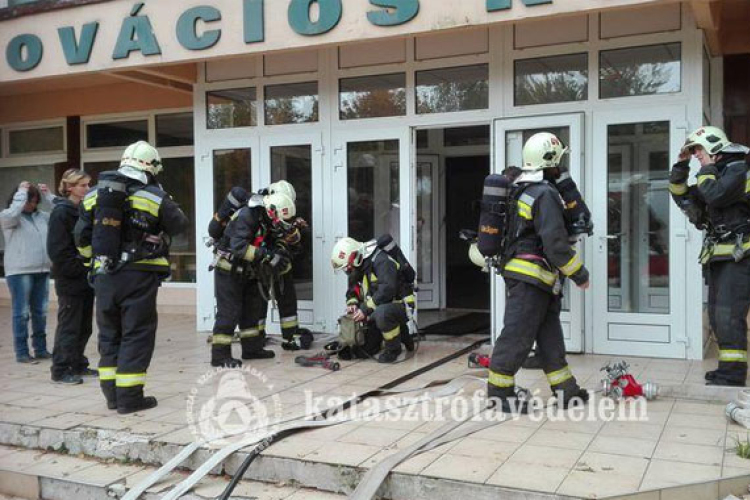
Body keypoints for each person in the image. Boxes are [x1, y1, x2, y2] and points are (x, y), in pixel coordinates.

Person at [75, 141, 188, 413]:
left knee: (109, 335)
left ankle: (112, 397)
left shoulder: (93, 196)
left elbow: (81, 238)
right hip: (139, 275)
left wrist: (94, 262)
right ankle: (130, 398)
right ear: (150, 167)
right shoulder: (153, 195)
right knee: (136, 334)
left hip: (103, 276)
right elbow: (180, 224)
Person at [487, 132, 590, 413]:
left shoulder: (524, 189)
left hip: (536, 278)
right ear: (549, 162)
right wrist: (579, 273)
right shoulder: (544, 194)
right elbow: (555, 243)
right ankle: (499, 393)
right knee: (517, 335)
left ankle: (566, 390)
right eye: (559, 161)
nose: (561, 167)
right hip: (530, 277)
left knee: (549, 336)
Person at [669, 126, 750, 387]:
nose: (695, 155)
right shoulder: (716, 174)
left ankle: (733, 374)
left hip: (740, 256)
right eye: (692, 152)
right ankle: (728, 369)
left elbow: (714, 196)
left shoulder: (737, 169)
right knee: (717, 314)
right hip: (720, 256)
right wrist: (680, 167)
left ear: (714, 147)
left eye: (698, 150)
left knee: (729, 314)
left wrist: (705, 171)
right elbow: (682, 195)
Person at [209, 191, 295, 367]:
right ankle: (219, 356)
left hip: (248, 271)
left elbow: (273, 242)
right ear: (272, 211)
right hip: (228, 270)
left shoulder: (267, 220)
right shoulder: (248, 215)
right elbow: (239, 247)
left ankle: (251, 349)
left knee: (251, 311)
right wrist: (267, 256)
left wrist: (278, 253)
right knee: (229, 312)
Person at [48, 169, 96, 384]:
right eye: (83, 185)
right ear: (69, 188)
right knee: (69, 325)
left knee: (84, 325)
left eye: (88, 185)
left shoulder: (84, 210)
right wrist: (79, 268)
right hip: (70, 280)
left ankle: (77, 363)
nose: (87, 189)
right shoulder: (61, 213)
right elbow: (58, 250)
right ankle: (61, 369)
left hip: (86, 278)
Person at [330, 236, 411, 363]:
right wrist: (353, 304)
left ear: (354, 258)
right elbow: (353, 290)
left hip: (397, 306)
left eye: (347, 267)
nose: (347, 271)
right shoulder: (360, 266)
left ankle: (394, 349)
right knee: (364, 351)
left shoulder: (382, 261)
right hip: (376, 309)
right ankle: (402, 334)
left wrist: (365, 309)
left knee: (382, 314)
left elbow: (387, 290)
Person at [1, 181, 55, 364]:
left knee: (40, 312)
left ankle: (40, 349)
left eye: (34, 200)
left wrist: (49, 196)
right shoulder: (9, 217)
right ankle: (22, 352)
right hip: (19, 271)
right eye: (28, 200)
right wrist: (21, 192)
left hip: (42, 269)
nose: (30, 204)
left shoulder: (43, 217)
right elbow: (12, 213)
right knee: (21, 313)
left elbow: (64, 213)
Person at [261, 180, 313, 351]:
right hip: (261, 266)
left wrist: (296, 231)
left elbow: (294, 243)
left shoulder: (285, 213)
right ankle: (254, 338)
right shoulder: (259, 214)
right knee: (258, 303)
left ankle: (290, 337)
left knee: (288, 301)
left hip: (283, 267)